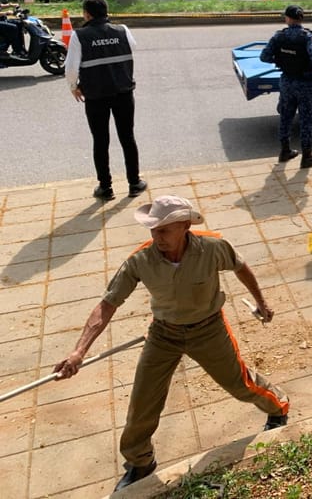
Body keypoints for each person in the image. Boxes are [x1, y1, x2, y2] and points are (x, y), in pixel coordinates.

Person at [52, 195, 289, 491]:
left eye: (163, 230)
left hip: (209, 328)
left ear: (185, 226)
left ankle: (278, 408)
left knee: (239, 384)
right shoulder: (141, 259)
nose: (156, 236)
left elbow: (241, 267)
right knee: (142, 402)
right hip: (164, 334)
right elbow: (108, 304)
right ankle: (140, 462)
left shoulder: (213, 246)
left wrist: (261, 303)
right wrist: (79, 351)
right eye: (153, 230)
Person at [65, 0, 145, 201]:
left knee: (100, 141)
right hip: (124, 93)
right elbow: (132, 48)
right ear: (106, 11)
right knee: (127, 137)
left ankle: (106, 188)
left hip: (95, 96)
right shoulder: (122, 30)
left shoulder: (79, 35)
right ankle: (134, 183)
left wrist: (74, 87)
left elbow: (71, 68)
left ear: (87, 14)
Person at [259, 5, 312, 168]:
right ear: (301, 19)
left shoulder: (279, 37)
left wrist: (281, 60)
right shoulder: (308, 37)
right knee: (306, 119)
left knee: (286, 117)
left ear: (287, 19)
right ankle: (307, 156)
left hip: (287, 82)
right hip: (306, 84)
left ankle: (285, 151)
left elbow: (264, 57)